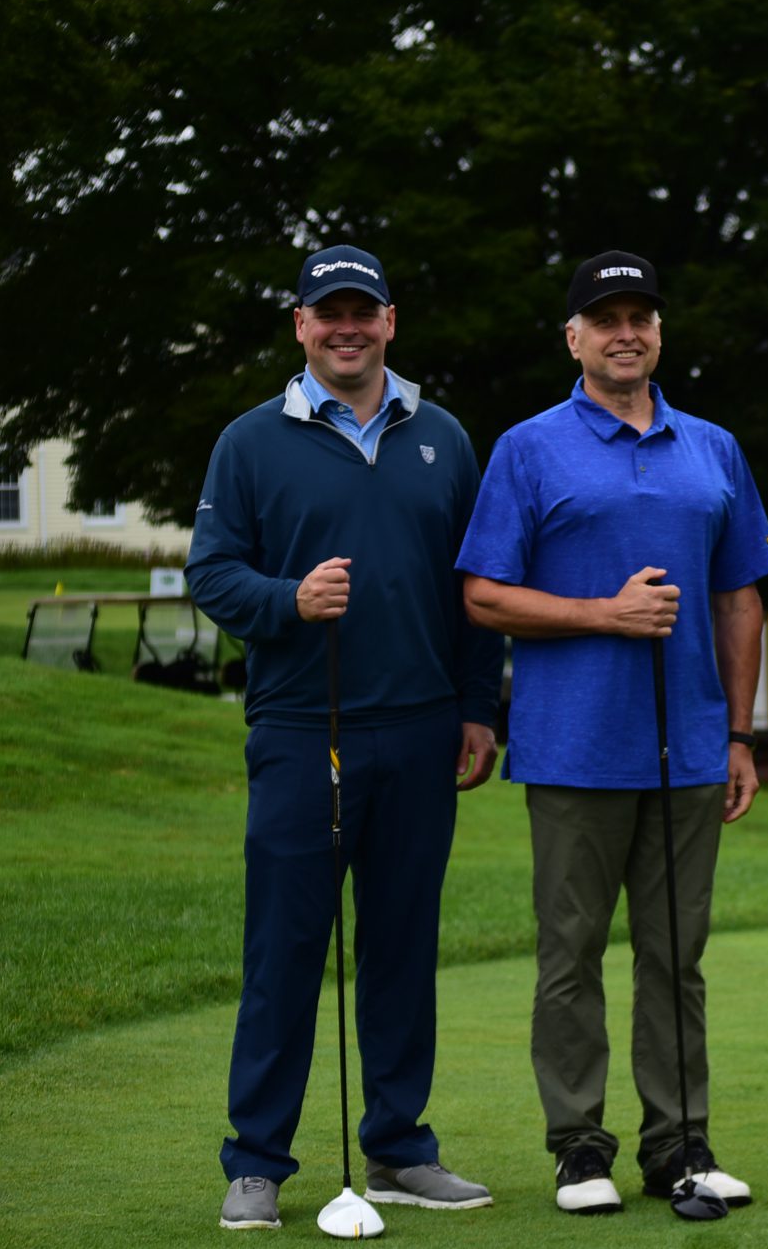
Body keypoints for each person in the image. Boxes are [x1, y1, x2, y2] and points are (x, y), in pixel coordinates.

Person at [188, 244, 504, 1230]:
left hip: (418, 732)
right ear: (300, 326)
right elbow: (212, 573)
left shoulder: (442, 436)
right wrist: (290, 599)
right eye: (328, 313)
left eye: (362, 311)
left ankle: (400, 1150)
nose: (346, 327)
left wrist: (480, 708)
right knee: (287, 947)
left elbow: (473, 595)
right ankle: (257, 1162)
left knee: (402, 949)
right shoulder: (250, 441)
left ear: (390, 321)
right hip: (298, 730)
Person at [457, 251, 768, 1215]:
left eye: (640, 316)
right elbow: (481, 595)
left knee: (675, 958)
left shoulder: (712, 448)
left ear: (659, 332)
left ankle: (680, 1145)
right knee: (571, 954)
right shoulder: (528, 447)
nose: (624, 332)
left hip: (688, 746)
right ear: (574, 338)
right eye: (605, 319)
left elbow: (740, 597)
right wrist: (604, 614)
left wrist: (737, 733)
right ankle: (579, 1148)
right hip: (572, 747)